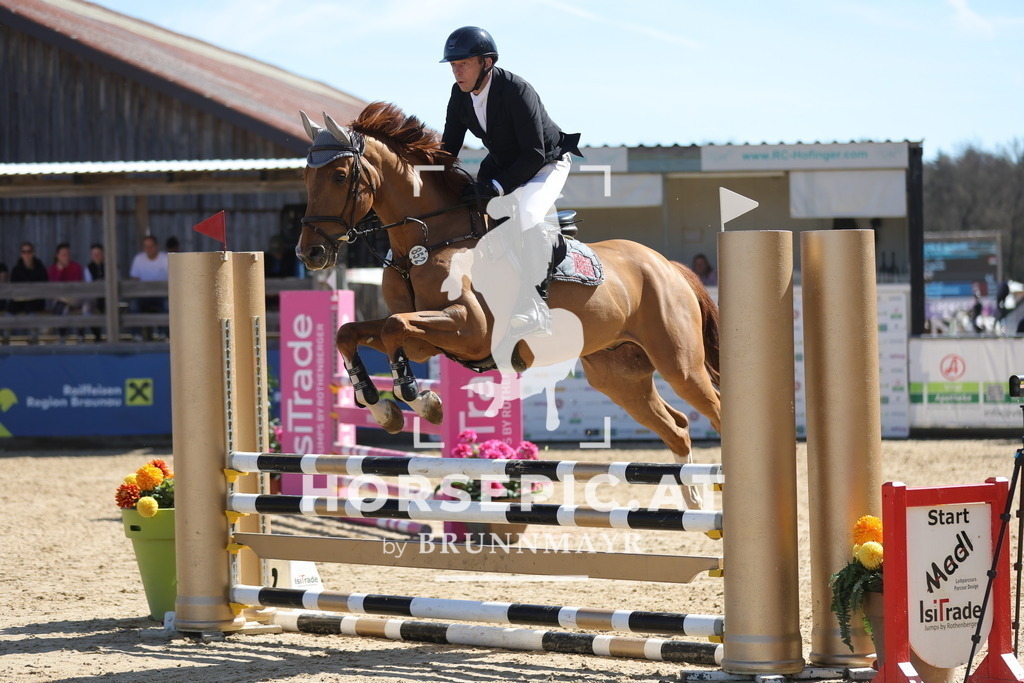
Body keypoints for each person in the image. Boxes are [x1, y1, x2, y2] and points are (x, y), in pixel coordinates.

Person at [440, 26, 581, 336]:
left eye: (463, 63)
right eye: (453, 65)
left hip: (546, 162)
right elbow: (448, 149)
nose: (457, 71)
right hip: (505, 162)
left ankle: (536, 305)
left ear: (486, 63)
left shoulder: (517, 90)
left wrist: (496, 187)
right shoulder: (459, 95)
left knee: (527, 215)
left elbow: (533, 153)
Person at [129, 235, 169, 340]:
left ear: (157, 246)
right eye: (146, 247)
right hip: (144, 296)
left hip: (162, 295)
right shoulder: (138, 259)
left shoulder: (165, 258)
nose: (149, 249)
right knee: (134, 304)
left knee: (168, 304)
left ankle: (164, 334)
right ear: (143, 248)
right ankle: (137, 334)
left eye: (151, 246)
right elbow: (134, 279)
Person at [10, 241, 49, 343]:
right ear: (21, 254)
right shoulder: (16, 269)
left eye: (29, 251)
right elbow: (12, 288)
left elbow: (45, 285)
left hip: (36, 300)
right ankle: (6, 334)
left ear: (33, 253)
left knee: (30, 307)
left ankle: (33, 334)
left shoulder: (40, 268)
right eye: (24, 252)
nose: (27, 254)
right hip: (20, 299)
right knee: (10, 307)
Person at [47, 243, 85, 341]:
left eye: (68, 254)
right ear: (57, 256)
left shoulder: (76, 267)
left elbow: (77, 286)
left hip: (74, 298)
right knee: (62, 306)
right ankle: (62, 335)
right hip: (60, 299)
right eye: (63, 254)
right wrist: (60, 271)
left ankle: (52, 326)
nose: (66, 257)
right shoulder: (52, 269)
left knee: (61, 301)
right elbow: (53, 287)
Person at [83, 243, 106, 341]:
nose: (96, 256)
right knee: (86, 309)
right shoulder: (88, 268)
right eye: (94, 254)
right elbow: (89, 286)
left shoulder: (111, 266)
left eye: (98, 253)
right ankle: (97, 335)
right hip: (94, 297)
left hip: (109, 297)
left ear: (103, 254)